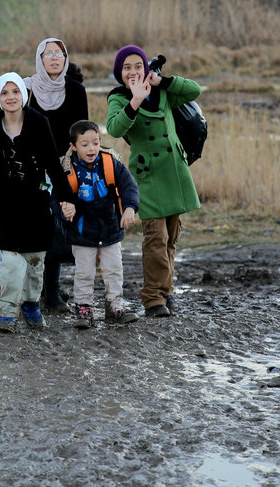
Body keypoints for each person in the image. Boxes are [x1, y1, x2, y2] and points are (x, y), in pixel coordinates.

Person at [106, 45, 202, 318]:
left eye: (138, 65)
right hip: (147, 178)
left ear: (146, 68)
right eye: (127, 67)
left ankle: (166, 291)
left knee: (172, 237)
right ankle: (152, 298)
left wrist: (163, 80)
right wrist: (134, 102)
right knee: (155, 238)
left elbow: (194, 91)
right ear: (120, 74)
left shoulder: (162, 92)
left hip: (174, 173)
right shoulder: (119, 97)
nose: (133, 71)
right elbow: (114, 128)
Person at [0, 72, 73, 333]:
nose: (11, 97)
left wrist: (66, 198)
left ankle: (31, 304)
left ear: (24, 94)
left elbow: (53, 165)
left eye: (15, 91)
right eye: (4, 93)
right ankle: (7, 312)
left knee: (35, 262)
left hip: (36, 204)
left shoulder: (38, 122)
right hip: (7, 206)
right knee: (9, 262)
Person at [24, 37, 89, 315]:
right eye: (48, 54)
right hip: (31, 168)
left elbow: (82, 131)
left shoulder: (75, 90)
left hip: (63, 169)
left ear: (65, 59)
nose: (53, 58)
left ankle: (51, 292)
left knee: (56, 227)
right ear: (40, 58)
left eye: (59, 54)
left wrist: (75, 165)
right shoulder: (25, 89)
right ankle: (26, 292)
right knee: (30, 228)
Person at [58, 120, 140, 328]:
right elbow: (54, 195)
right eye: (84, 144)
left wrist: (130, 207)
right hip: (82, 230)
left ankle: (115, 306)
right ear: (73, 146)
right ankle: (84, 309)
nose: (91, 148)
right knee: (84, 272)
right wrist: (64, 208)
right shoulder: (66, 169)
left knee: (114, 269)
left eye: (95, 142)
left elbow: (129, 185)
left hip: (111, 227)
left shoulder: (110, 162)